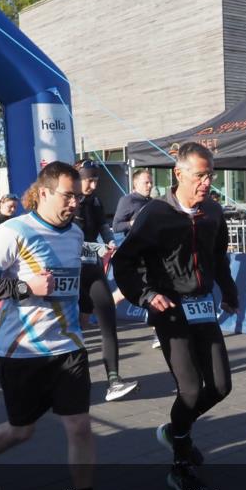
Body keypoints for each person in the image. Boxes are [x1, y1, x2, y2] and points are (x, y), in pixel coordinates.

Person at [0, 162, 115, 490]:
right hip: (21, 351)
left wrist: (92, 295)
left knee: (79, 427)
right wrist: (26, 288)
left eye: (78, 196)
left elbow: (70, 285)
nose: (75, 203)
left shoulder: (77, 233)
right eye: (68, 195)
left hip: (68, 347)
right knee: (22, 431)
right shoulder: (13, 231)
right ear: (44, 192)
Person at [112, 142, 239, 490]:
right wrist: (147, 295)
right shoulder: (155, 214)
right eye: (200, 175)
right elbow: (124, 262)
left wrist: (228, 292)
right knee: (190, 390)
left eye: (210, 175)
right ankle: (180, 461)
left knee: (220, 387)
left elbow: (218, 257)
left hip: (202, 307)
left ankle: (174, 430)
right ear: (178, 174)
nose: (206, 183)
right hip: (169, 311)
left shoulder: (213, 212)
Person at [74, 160, 138, 402]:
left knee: (108, 321)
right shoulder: (70, 203)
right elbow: (67, 241)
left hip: (93, 270)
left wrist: (110, 240)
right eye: (88, 179)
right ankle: (70, 380)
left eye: (96, 180)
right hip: (71, 274)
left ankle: (114, 381)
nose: (92, 184)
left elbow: (103, 225)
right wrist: (95, 247)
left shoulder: (95, 201)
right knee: (74, 329)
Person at [112, 168, 153, 238]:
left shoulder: (152, 201)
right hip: (135, 245)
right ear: (136, 183)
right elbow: (115, 227)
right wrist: (132, 223)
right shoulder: (127, 200)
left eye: (151, 183)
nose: (150, 185)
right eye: (146, 182)